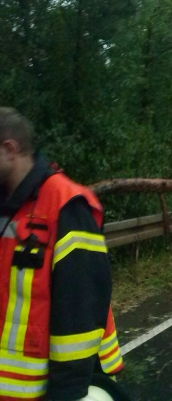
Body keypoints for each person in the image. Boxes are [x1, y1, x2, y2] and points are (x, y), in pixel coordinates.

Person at [0, 108, 124, 400]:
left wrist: (67, 393)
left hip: (50, 387)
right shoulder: (6, 207)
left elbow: (80, 309)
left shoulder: (67, 206)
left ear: (9, 150)